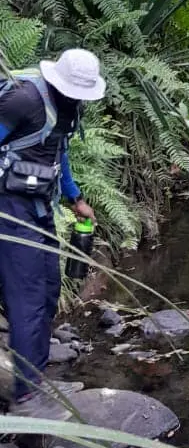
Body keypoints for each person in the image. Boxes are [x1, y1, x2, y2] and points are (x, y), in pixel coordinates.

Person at [0, 49, 104, 413]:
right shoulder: (24, 99)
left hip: (40, 204)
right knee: (27, 298)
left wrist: (75, 198)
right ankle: (26, 399)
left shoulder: (69, 105)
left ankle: (37, 377)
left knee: (47, 290)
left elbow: (57, 150)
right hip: (9, 209)